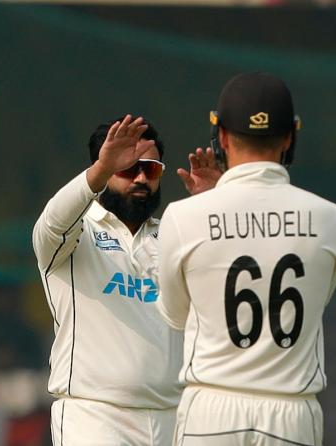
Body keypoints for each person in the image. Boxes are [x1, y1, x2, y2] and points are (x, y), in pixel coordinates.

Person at [156, 72, 336, 446]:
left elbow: (176, 315)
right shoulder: (330, 218)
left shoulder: (184, 216)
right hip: (292, 413)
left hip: (212, 409)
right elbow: (313, 302)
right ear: (290, 136)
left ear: (222, 137)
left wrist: (213, 206)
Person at [32, 115, 219, 445]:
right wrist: (98, 174)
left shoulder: (176, 234)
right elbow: (51, 225)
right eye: (128, 168)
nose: (141, 178)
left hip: (172, 417)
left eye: (151, 169)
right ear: (103, 168)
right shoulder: (76, 234)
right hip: (95, 418)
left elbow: (221, 290)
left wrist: (215, 208)